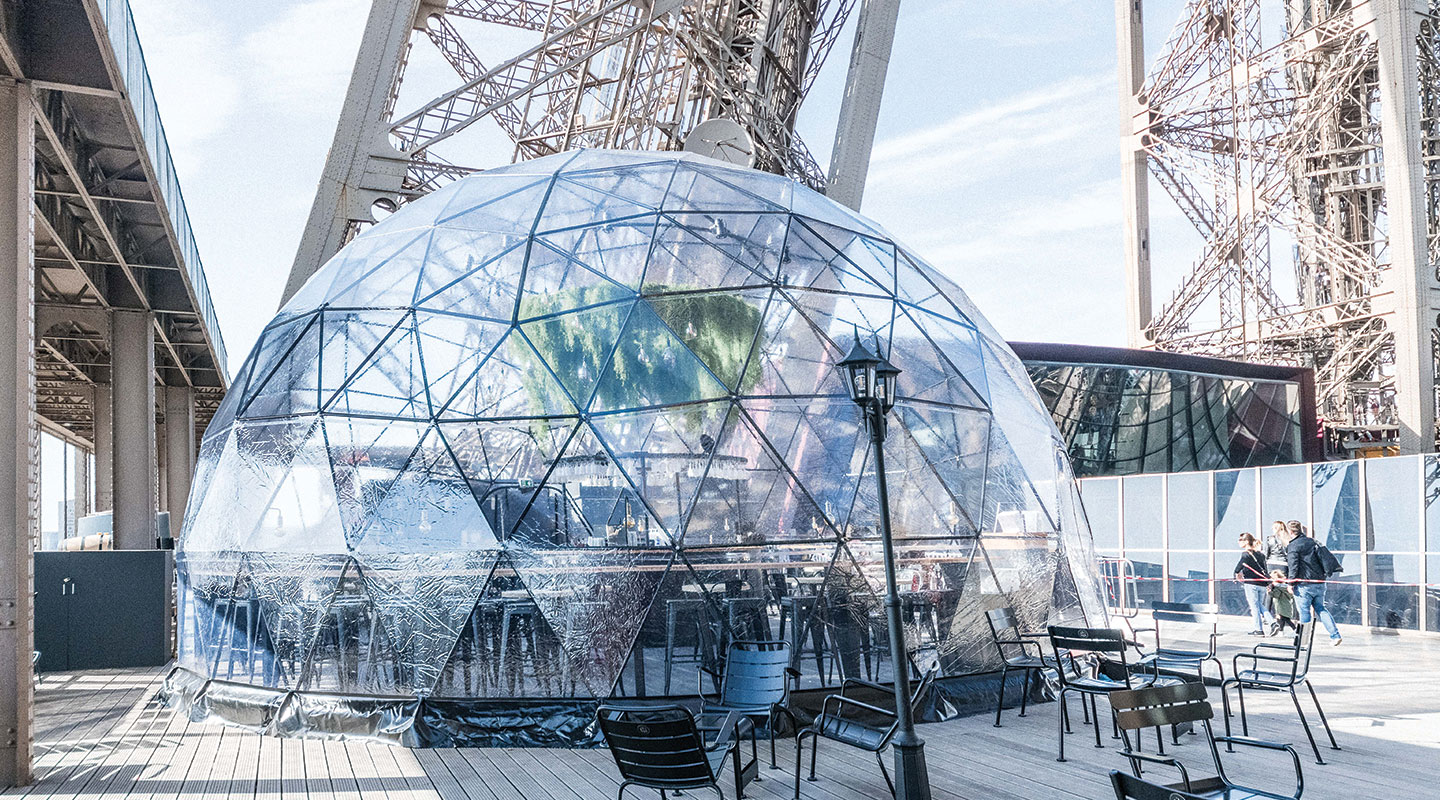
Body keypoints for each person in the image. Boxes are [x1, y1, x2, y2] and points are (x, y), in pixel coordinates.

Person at [1282, 519, 1342, 645]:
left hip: (1303, 584)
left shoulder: (1293, 546)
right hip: (1319, 582)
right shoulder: (1313, 542)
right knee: (1321, 609)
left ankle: (1304, 640)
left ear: (1290, 532)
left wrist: (1290, 583)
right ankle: (1335, 635)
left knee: (1304, 612)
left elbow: (1293, 566)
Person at [1234, 533, 1276, 635]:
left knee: (1255, 607)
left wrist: (1236, 574)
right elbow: (1265, 570)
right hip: (1262, 584)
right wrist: (1268, 583)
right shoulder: (1261, 555)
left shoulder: (1245, 554)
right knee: (1259, 605)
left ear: (1246, 542)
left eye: (1240, 540)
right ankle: (1270, 624)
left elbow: (1239, 566)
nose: (1238, 542)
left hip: (1251, 583)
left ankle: (1261, 628)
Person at [1268, 569, 1298, 635]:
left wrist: (1270, 592)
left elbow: (1277, 595)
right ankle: (1281, 631)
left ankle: (1295, 629)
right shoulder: (1286, 586)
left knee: (1284, 619)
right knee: (1282, 619)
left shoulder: (1278, 587)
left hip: (1281, 605)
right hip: (1286, 604)